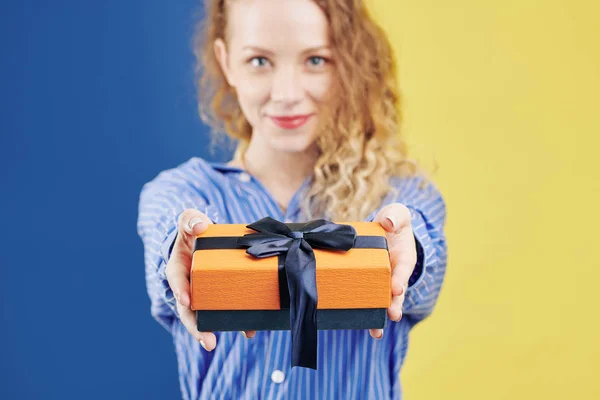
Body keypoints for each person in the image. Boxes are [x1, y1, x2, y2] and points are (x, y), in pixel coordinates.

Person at [136, 0, 447, 398]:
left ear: (348, 64)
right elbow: (167, 245)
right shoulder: (181, 192)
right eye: (259, 61)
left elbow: (424, 265)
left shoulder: (402, 196)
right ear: (226, 60)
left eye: (316, 60)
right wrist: (178, 258)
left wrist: (408, 256)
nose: (286, 94)